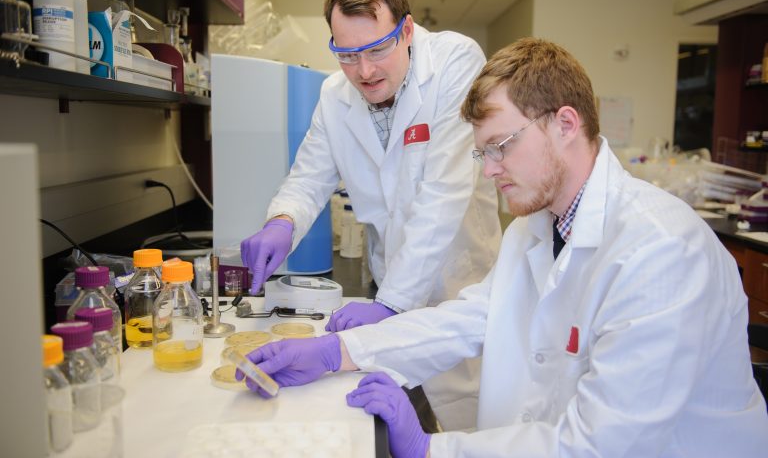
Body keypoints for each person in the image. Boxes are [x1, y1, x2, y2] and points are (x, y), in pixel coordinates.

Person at [237, 38, 768, 457]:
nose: (489, 171)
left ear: (565, 123)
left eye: (501, 147)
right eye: (482, 153)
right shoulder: (535, 228)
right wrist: (339, 352)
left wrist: (432, 450)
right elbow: (469, 320)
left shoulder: (660, 252)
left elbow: (602, 444)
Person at [239, 0, 501, 431]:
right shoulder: (334, 94)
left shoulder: (454, 62)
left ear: (407, 30)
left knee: (465, 421)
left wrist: (393, 304)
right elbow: (308, 178)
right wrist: (282, 220)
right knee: (398, 418)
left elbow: (444, 194)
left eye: (377, 49)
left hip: (458, 285)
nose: (364, 71)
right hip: (390, 287)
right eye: (347, 55)